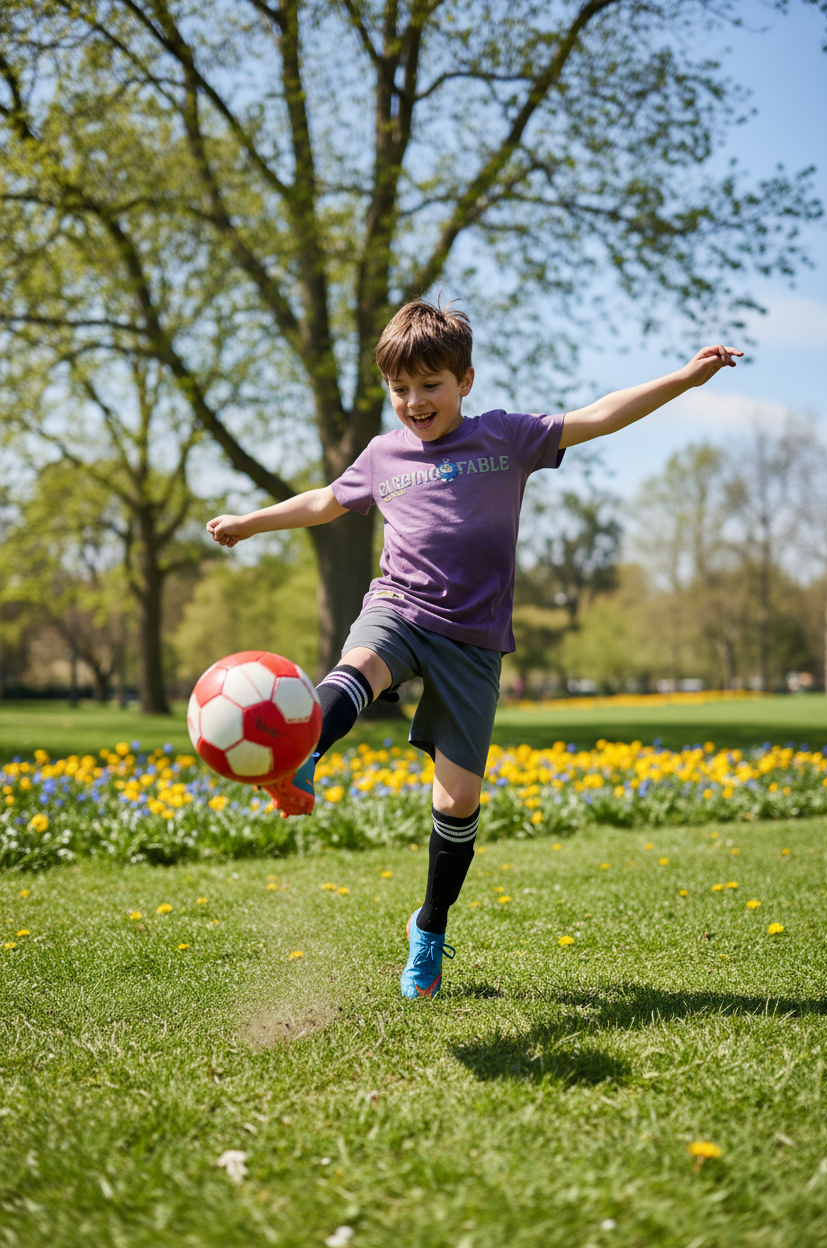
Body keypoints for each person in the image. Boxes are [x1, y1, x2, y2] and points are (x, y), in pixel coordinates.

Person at [207, 301, 741, 998]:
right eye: (400, 389)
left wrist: (683, 379)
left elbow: (599, 414)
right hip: (397, 606)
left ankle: (428, 928)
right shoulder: (382, 455)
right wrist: (250, 524)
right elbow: (325, 502)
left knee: (457, 802)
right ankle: (301, 755)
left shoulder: (508, 439)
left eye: (430, 385)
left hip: (473, 639)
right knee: (357, 670)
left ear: (465, 381)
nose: (414, 402)